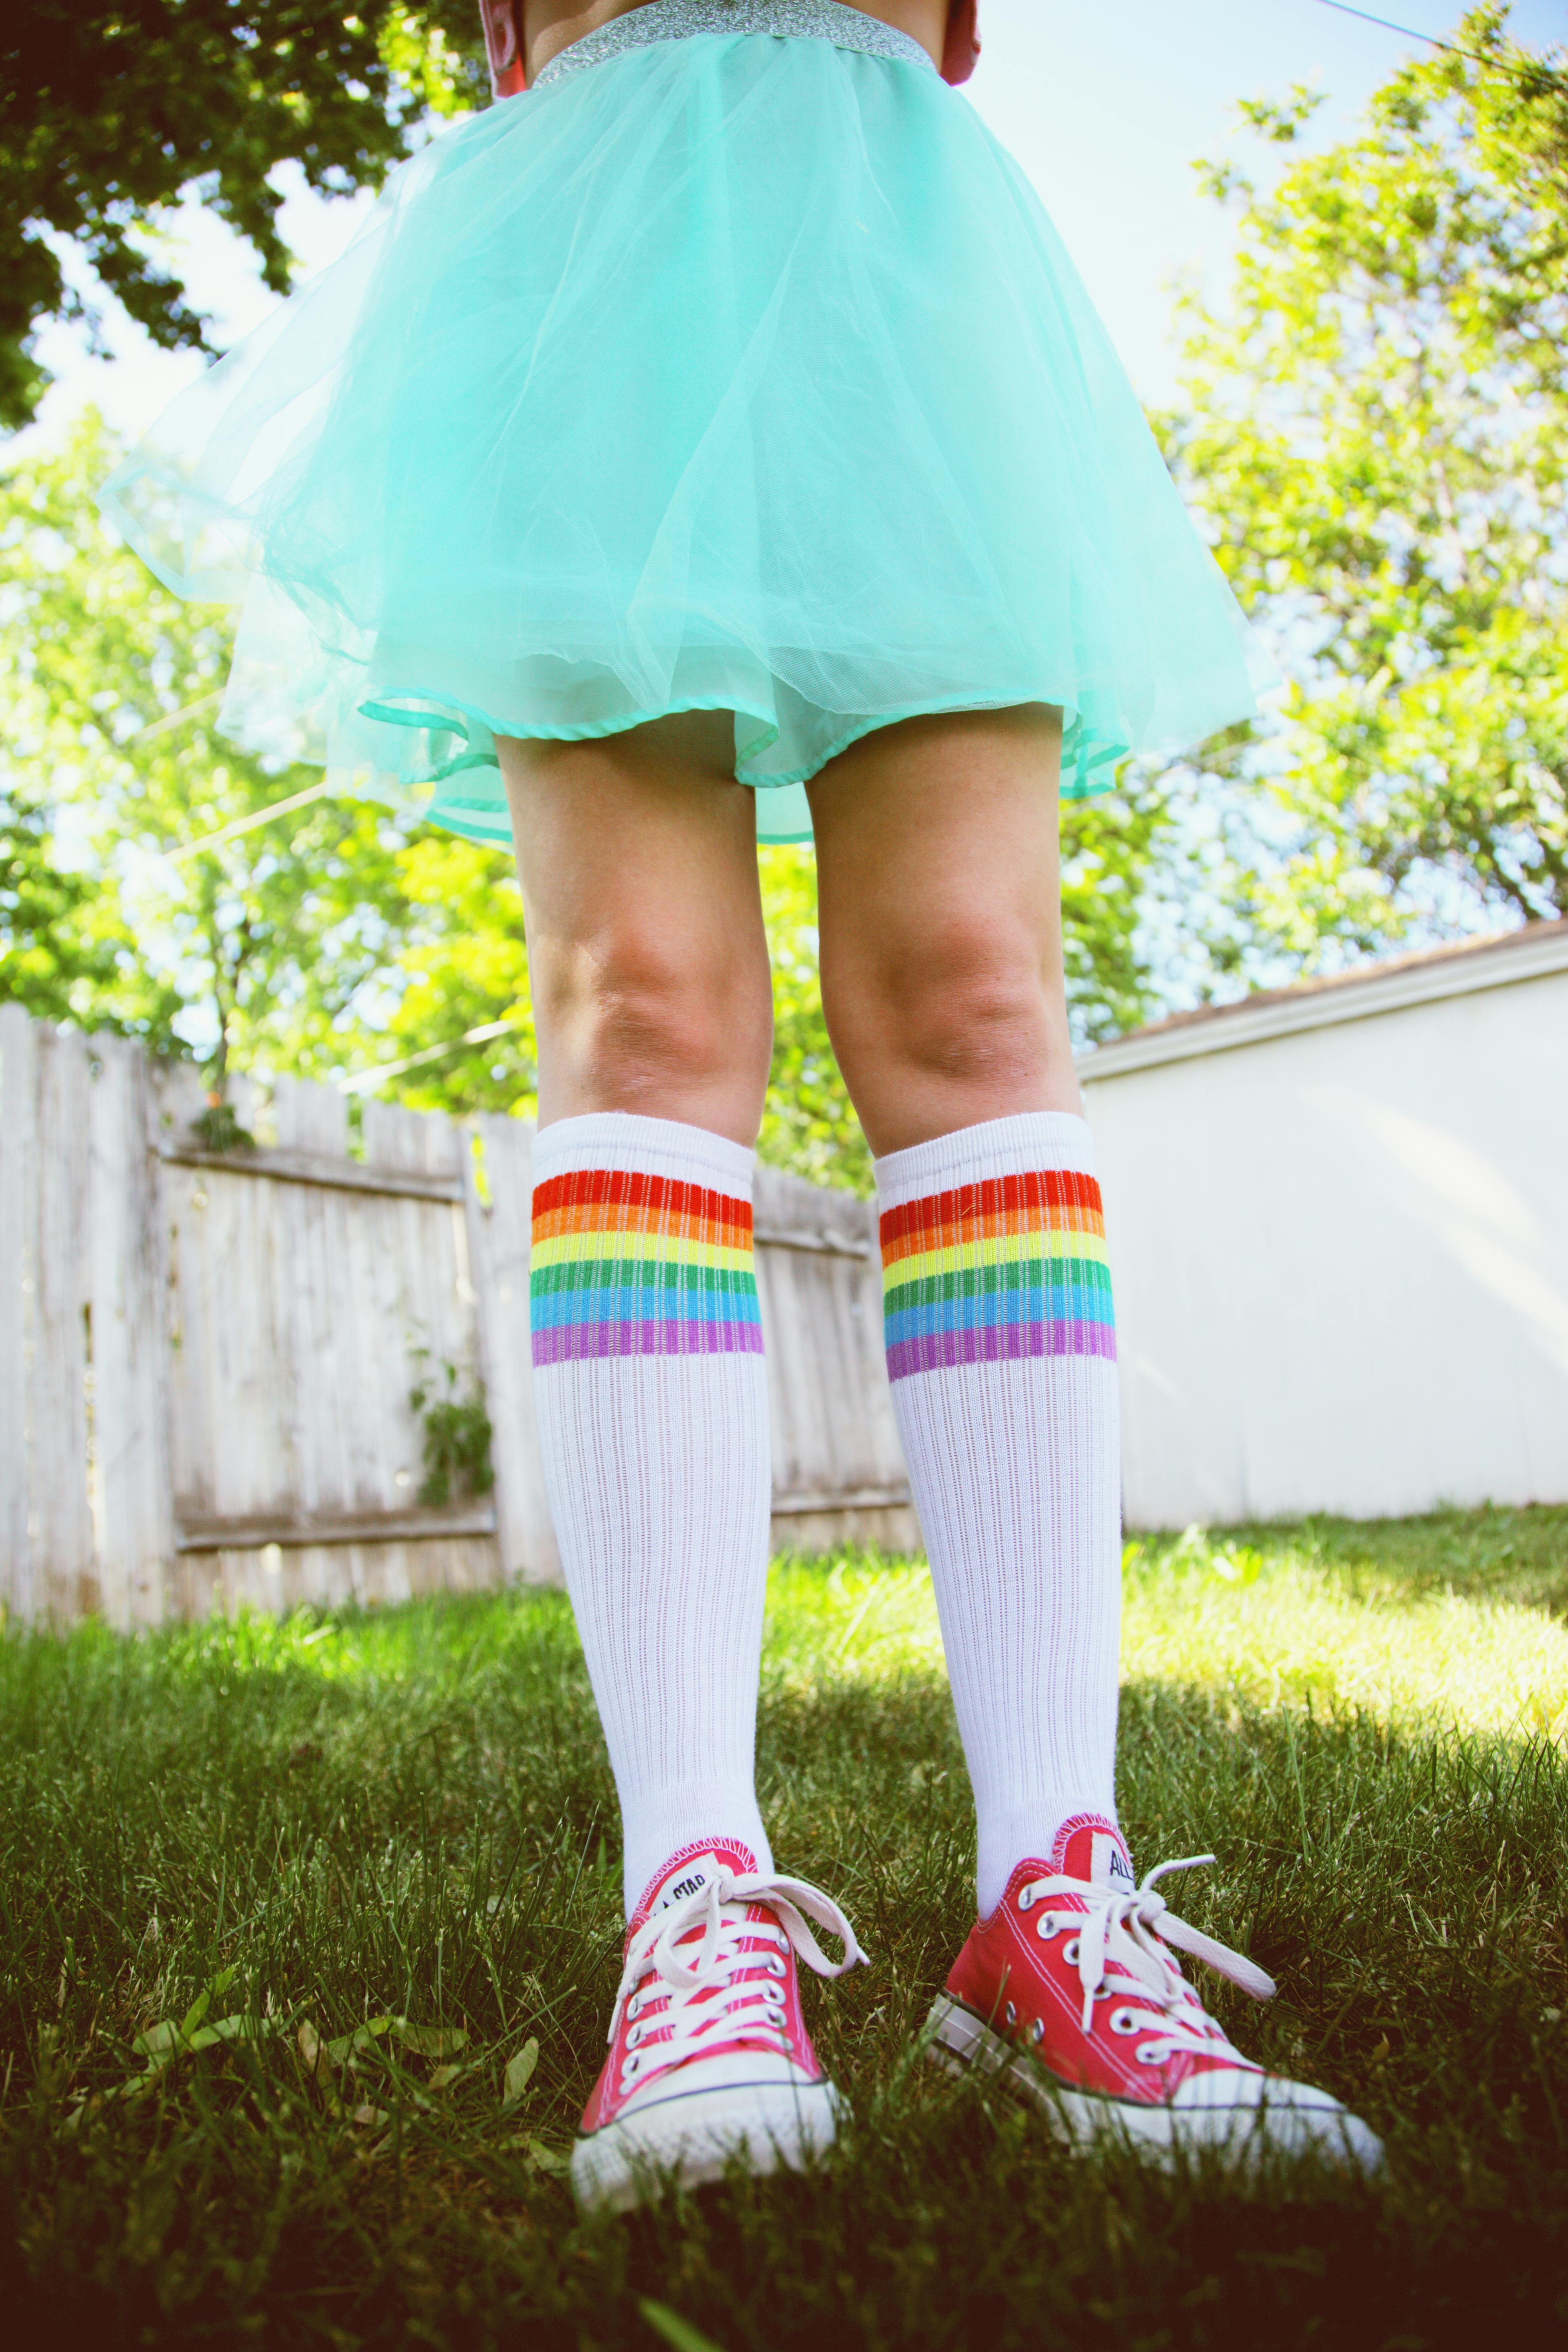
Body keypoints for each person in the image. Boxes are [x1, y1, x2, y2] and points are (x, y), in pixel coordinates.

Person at [99, 0, 1381, 2213]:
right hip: (593, 221)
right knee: (644, 1009)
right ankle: (690, 1894)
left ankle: (1047, 1908)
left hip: (883, 216)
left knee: (978, 998)